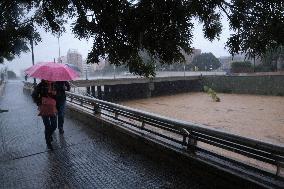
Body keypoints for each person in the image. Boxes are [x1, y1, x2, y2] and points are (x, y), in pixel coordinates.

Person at [32, 80, 57, 150]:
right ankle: (48, 142)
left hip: (52, 107)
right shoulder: (40, 85)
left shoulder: (54, 84)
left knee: (54, 125)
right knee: (47, 126)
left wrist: (55, 94)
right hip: (44, 107)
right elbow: (34, 95)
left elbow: (57, 97)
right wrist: (39, 103)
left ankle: (48, 135)